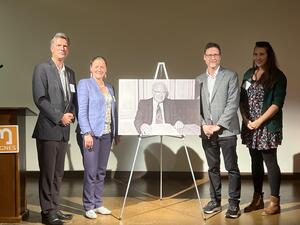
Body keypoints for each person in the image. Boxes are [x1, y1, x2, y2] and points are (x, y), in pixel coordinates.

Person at [32, 33, 75, 225]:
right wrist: (59, 117)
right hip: (48, 129)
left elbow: (71, 99)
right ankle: (47, 212)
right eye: (59, 45)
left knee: (58, 174)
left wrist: (71, 114)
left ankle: (54, 208)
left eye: (65, 46)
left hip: (64, 131)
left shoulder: (70, 73)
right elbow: (40, 99)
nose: (62, 48)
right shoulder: (42, 68)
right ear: (52, 48)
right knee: (48, 172)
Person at [240, 41, 287, 215]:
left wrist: (259, 121)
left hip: (267, 126)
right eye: (256, 54)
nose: (258, 57)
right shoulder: (248, 74)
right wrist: (245, 120)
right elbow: (242, 100)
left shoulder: (278, 76)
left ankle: (275, 202)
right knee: (255, 161)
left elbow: (277, 104)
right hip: (250, 126)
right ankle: (257, 199)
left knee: (270, 162)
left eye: (262, 54)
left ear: (269, 56)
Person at [196, 42, 241, 218]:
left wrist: (218, 125)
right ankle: (215, 202)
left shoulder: (230, 76)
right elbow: (194, 107)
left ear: (220, 56)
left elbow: (232, 103)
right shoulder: (198, 79)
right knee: (212, 168)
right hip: (207, 131)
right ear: (204, 57)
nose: (213, 58)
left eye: (216, 55)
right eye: (209, 55)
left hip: (226, 130)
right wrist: (203, 125)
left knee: (232, 168)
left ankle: (234, 204)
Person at [77, 56, 118, 219]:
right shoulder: (84, 84)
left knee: (101, 171)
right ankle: (88, 206)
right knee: (91, 171)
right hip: (92, 135)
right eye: (96, 66)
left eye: (102, 66)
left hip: (107, 134)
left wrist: (116, 132)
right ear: (90, 68)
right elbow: (81, 111)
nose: (99, 69)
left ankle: (98, 203)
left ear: (106, 69)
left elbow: (113, 112)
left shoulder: (109, 87)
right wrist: (86, 133)